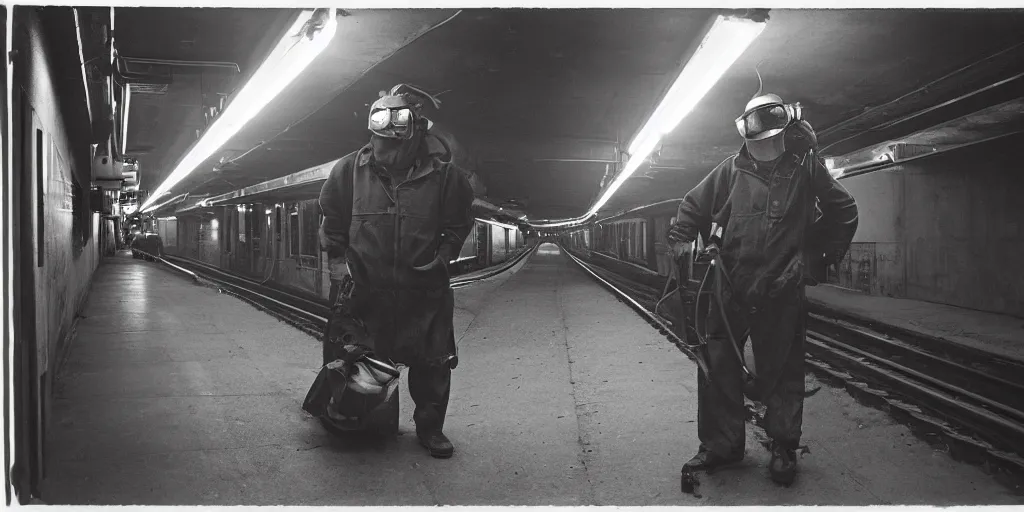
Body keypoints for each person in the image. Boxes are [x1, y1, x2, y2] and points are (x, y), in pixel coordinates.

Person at [667, 91, 859, 486]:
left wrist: (815, 258)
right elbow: (692, 206)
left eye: (769, 141)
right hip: (730, 286)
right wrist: (682, 237)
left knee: (784, 369)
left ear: (783, 135)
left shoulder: (806, 169)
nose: (761, 150)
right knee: (718, 366)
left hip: (782, 287)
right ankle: (722, 446)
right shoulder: (731, 170)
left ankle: (784, 446)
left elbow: (845, 211)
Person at [318, 84, 475, 458]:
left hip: (425, 290)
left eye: (392, 145)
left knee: (433, 364)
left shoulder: (446, 177)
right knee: (359, 359)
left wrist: (443, 258)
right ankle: (363, 421)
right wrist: (339, 270)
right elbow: (333, 223)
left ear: (416, 135)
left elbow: (458, 223)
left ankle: (430, 429)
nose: (382, 151)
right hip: (366, 290)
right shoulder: (347, 171)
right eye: (378, 141)